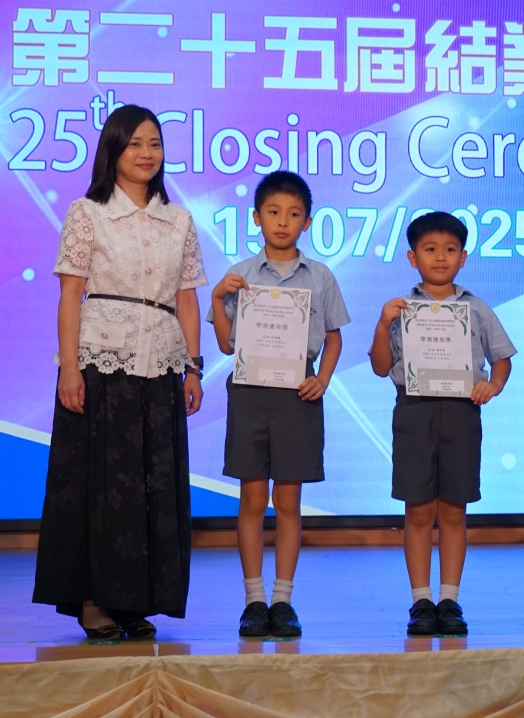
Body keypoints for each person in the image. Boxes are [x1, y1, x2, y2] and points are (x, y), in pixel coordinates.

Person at [33, 105, 207, 641]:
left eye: (154, 143)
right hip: (101, 363)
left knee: (151, 485)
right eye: (134, 143)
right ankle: (93, 601)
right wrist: (69, 368)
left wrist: (194, 368)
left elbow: (187, 298)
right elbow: (70, 296)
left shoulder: (179, 219)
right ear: (113, 149)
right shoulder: (87, 213)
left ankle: (135, 600)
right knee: (100, 485)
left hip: (162, 362)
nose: (147, 153)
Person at [209, 171, 350, 638]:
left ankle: (283, 600)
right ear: (256, 218)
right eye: (273, 212)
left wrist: (322, 379)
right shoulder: (242, 275)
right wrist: (218, 298)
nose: (283, 222)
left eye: (293, 214)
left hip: (297, 394)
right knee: (252, 498)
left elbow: (334, 337)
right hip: (249, 393)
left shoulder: (321, 275)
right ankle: (253, 600)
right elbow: (227, 345)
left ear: (307, 222)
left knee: (288, 500)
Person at [369, 212, 515, 636]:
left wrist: (493, 385)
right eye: (430, 249)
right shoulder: (401, 310)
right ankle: (420, 601)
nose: (440, 257)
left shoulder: (477, 308)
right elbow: (380, 367)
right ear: (412, 257)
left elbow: (502, 359)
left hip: (461, 413)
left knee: (454, 510)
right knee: (417, 510)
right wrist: (383, 323)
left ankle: (449, 599)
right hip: (414, 412)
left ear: (463, 257)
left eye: (450, 250)